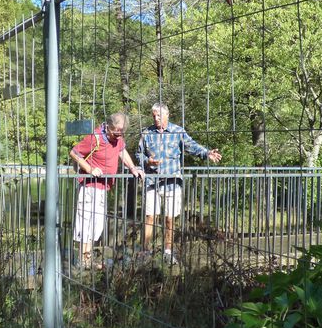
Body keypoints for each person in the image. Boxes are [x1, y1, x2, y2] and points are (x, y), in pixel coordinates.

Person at [136, 102, 222, 264]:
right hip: (151, 181)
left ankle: (167, 252)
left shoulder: (177, 131)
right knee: (149, 217)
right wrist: (148, 161)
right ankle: (145, 252)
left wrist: (207, 153)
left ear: (167, 115)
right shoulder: (146, 132)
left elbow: (192, 146)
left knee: (169, 218)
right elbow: (138, 155)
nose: (156, 118)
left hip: (172, 182)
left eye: (159, 115)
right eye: (154, 116)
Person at [68, 112, 144, 269]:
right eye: (116, 131)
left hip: (103, 187)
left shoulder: (118, 138)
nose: (119, 135)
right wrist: (90, 169)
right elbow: (74, 153)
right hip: (89, 186)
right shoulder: (95, 137)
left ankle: (87, 260)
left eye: (122, 132)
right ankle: (83, 260)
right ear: (108, 127)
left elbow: (122, 151)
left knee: (96, 224)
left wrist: (133, 167)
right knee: (86, 222)